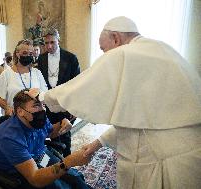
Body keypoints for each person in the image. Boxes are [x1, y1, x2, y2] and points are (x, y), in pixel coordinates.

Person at [27, 16, 201, 189]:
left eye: (104, 49)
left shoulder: (125, 53)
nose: (105, 54)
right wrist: (98, 143)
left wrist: (42, 96)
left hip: (162, 161)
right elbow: (137, 119)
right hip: (188, 153)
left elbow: (84, 87)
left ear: (116, 38)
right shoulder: (162, 49)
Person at [0, 89, 91, 189]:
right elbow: (35, 178)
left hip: (40, 156)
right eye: (36, 105)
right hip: (17, 172)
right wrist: (69, 161)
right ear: (20, 111)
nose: (43, 110)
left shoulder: (37, 119)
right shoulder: (10, 138)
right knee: (60, 186)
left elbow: (50, 132)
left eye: (43, 105)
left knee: (75, 177)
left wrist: (62, 123)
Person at [37, 27, 80, 157]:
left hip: (66, 104)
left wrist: (74, 108)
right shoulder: (41, 59)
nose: (49, 46)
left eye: (52, 42)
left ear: (58, 41)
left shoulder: (71, 58)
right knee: (52, 134)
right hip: (49, 104)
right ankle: (55, 162)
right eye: (46, 43)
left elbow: (76, 84)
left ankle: (67, 165)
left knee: (65, 135)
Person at [0, 39, 48, 116]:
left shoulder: (37, 73)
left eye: (31, 54)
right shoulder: (6, 74)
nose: (28, 56)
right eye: (25, 53)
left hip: (36, 115)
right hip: (14, 116)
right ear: (17, 53)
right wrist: (7, 107)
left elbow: (45, 93)